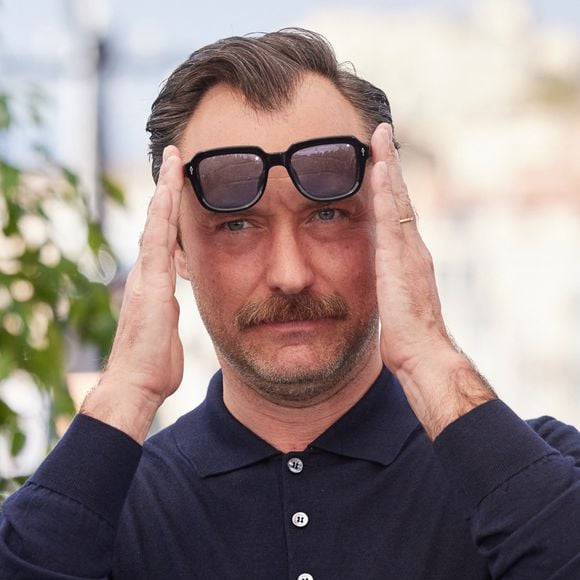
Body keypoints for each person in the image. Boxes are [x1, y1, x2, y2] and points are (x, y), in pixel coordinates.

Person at [1, 28, 579, 580]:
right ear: (174, 247)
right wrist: (125, 390)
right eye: (235, 225)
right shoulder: (104, 510)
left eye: (327, 214)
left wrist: (433, 361)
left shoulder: (534, 475)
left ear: (389, 222)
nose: (290, 274)